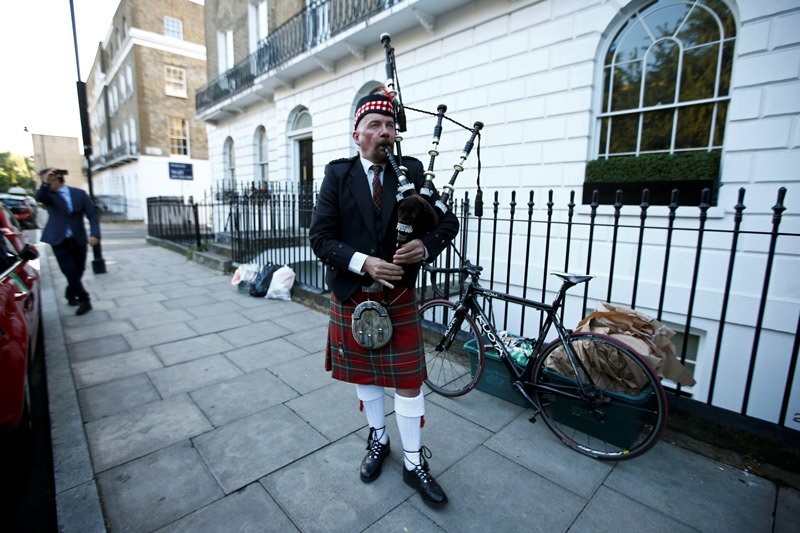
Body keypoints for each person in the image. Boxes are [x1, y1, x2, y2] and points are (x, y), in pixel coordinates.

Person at [309, 91, 459, 507]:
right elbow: (320, 238)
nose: (385, 132)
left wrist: (426, 246)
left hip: (399, 296)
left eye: (390, 125)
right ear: (357, 135)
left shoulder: (409, 170)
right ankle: (378, 439)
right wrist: (364, 263)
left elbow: (449, 221)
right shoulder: (338, 175)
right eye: (375, 125)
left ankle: (414, 462)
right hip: (355, 293)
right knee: (366, 376)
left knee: (409, 382)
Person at [35, 168, 100, 315]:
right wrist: (45, 183)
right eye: (44, 180)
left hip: (78, 238)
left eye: (49, 179)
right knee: (69, 270)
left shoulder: (79, 194)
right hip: (58, 239)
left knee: (78, 270)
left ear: (58, 179)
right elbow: (39, 197)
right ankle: (85, 299)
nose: (45, 183)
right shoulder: (48, 195)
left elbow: (92, 214)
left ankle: (70, 293)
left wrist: (94, 234)